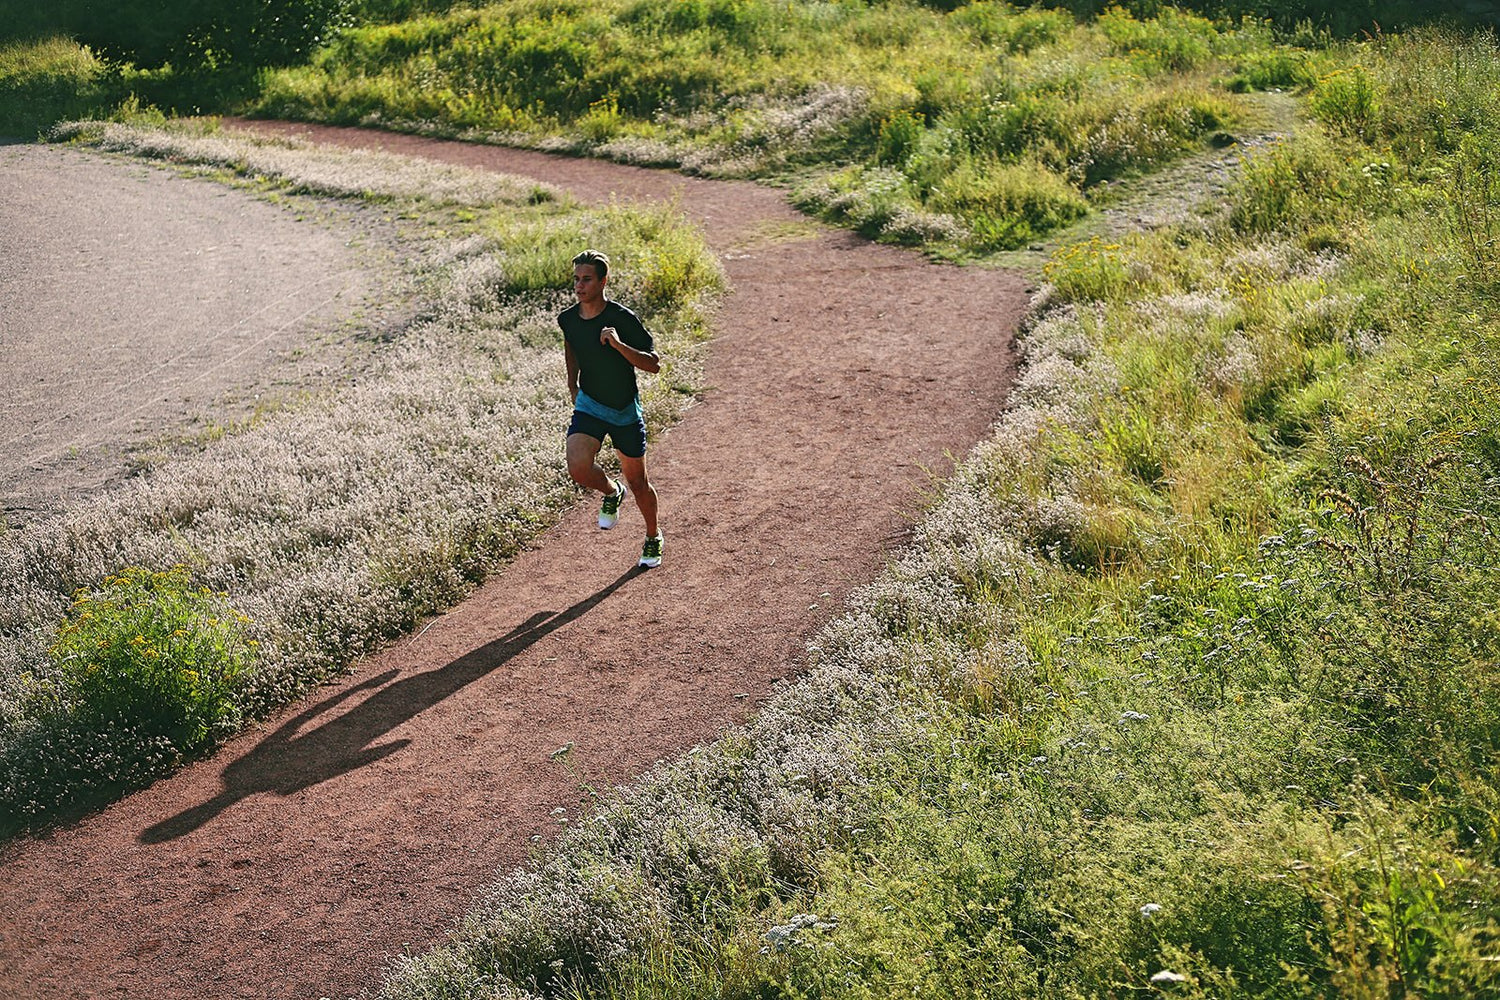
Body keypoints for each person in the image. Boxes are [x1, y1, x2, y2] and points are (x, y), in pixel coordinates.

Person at [559, 249, 663, 568]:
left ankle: (652, 536)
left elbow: (653, 365)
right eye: (576, 279)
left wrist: (618, 345)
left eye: (586, 279)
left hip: (623, 410)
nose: (579, 286)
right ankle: (610, 491)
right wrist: (573, 385)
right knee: (577, 466)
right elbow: (572, 348)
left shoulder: (621, 318)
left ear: (603, 281)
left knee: (639, 483)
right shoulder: (567, 319)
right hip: (590, 403)